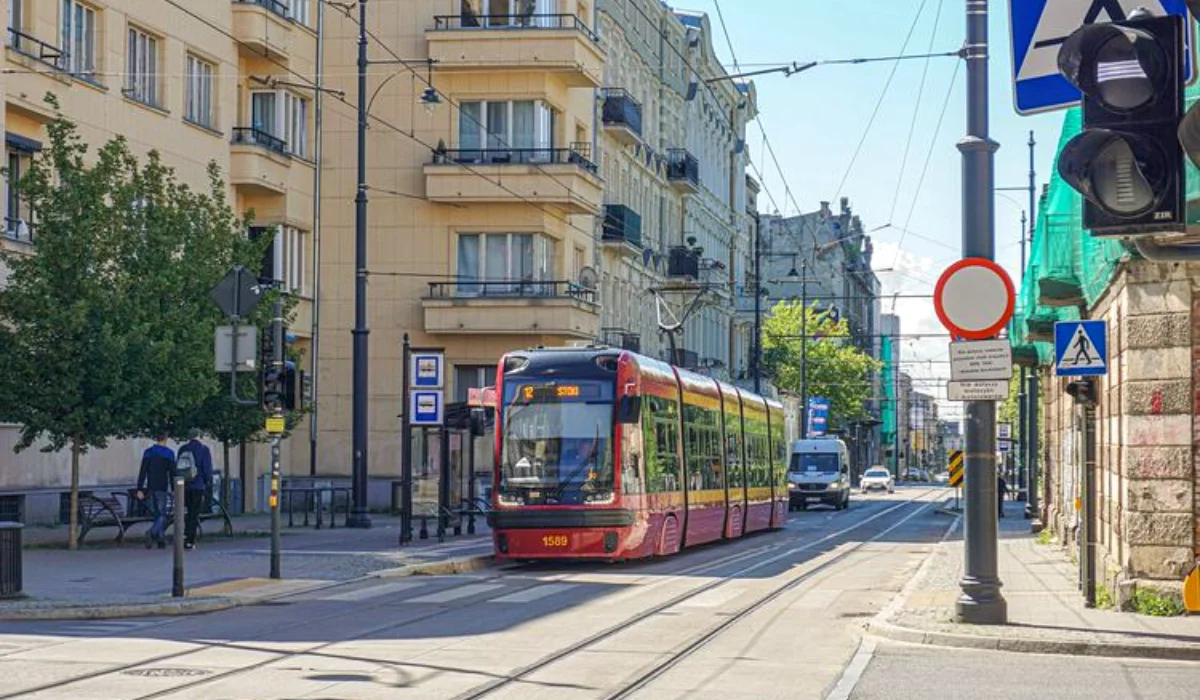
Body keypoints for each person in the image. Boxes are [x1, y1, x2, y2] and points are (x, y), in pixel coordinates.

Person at [136, 435, 175, 549]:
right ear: (166, 439)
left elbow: (142, 471)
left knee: (157, 514)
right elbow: (172, 473)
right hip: (162, 488)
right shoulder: (169, 453)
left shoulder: (148, 452)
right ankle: (152, 532)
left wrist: (140, 488)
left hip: (150, 487)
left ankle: (161, 540)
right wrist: (173, 489)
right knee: (162, 514)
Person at [178, 429, 214, 550]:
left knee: (187, 512)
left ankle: (183, 534)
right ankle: (189, 540)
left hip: (184, 486)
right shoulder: (204, 449)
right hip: (198, 486)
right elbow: (207, 469)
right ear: (199, 436)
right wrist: (207, 481)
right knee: (194, 513)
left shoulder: (182, 449)